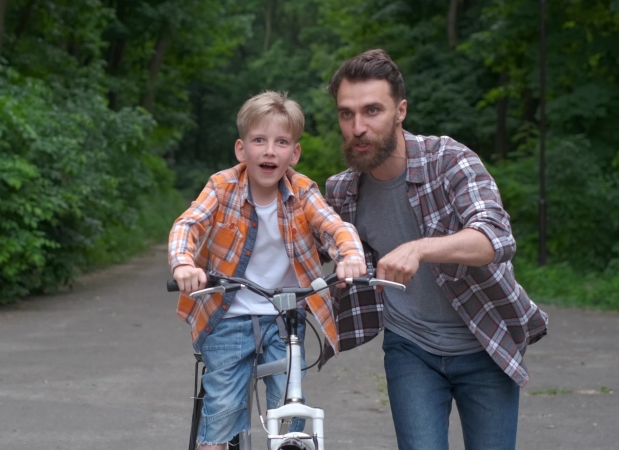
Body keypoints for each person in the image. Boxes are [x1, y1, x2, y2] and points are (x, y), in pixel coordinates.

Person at [324, 49, 549, 450]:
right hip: (410, 348)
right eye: (346, 114)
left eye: (372, 111)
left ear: (401, 110)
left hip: (483, 341)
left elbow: (496, 237)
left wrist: (421, 248)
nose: (358, 127)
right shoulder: (342, 191)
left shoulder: (449, 160)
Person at [169, 90, 367, 450]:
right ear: (242, 150)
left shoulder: (303, 191)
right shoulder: (222, 186)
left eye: (281, 142)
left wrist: (349, 256)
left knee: (290, 410)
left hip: (285, 322)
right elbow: (188, 225)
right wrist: (184, 263)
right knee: (223, 410)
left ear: (294, 153)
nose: (270, 151)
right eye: (259, 140)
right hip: (228, 318)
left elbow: (334, 226)